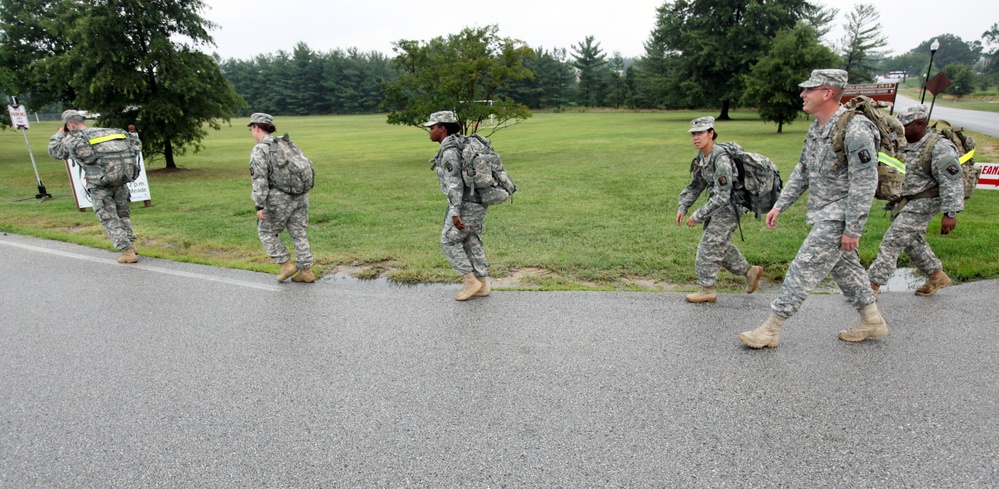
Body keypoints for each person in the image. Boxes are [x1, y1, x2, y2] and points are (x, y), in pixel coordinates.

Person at [739, 69, 888, 348]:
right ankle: (872, 320)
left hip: (839, 215)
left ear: (827, 93)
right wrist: (780, 205)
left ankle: (771, 328)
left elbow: (865, 182)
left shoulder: (856, 130)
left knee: (803, 267)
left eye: (809, 89)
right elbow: (803, 171)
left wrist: (853, 228)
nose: (802, 94)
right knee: (847, 271)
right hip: (824, 211)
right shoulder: (818, 127)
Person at [867, 104, 963, 297]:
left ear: (920, 124)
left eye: (906, 126)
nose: (901, 130)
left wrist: (950, 213)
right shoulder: (905, 143)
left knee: (892, 240)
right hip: (906, 201)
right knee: (912, 242)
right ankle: (937, 276)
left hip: (926, 201)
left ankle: (870, 287)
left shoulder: (939, 146)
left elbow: (952, 180)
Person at [676, 116, 763, 303]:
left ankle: (707, 289)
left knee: (709, 246)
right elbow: (695, 185)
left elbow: (724, 196)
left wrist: (698, 215)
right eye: (693, 134)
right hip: (719, 205)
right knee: (718, 244)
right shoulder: (702, 157)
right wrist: (683, 206)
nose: (695, 138)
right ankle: (749, 272)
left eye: (700, 133)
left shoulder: (721, 158)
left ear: (711, 133)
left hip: (731, 206)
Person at [48, 110, 141, 264]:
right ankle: (131, 243)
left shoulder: (76, 139)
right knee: (123, 213)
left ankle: (127, 251)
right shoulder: (108, 132)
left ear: (70, 125)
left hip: (100, 184)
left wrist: (59, 134)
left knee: (108, 216)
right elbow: (135, 147)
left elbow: (55, 152)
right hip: (121, 179)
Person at [425, 110, 490, 301]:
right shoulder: (457, 146)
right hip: (476, 202)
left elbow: (455, 184)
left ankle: (471, 281)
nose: (429, 131)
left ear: (442, 128)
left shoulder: (450, 152)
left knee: (449, 240)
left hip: (466, 204)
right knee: (471, 240)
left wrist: (455, 212)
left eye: (432, 127)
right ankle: (483, 284)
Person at [248, 113, 316, 283]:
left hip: (278, 198)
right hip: (300, 196)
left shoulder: (260, 149)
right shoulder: (285, 143)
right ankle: (306, 271)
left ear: (256, 127)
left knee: (265, 231)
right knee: (298, 232)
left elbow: (260, 179)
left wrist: (259, 205)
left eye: (251, 128)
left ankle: (285, 264)